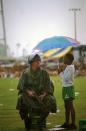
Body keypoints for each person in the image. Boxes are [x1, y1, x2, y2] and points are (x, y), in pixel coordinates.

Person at [16, 54, 57, 130]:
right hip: (29, 96)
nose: (39, 62)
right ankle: (27, 121)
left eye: (39, 60)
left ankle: (40, 121)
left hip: (41, 96)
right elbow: (21, 87)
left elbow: (48, 86)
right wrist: (28, 92)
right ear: (32, 62)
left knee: (51, 99)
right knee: (21, 98)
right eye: (36, 61)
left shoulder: (44, 73)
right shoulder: (25, 73)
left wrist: (44, 94)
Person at [58, 53, 77, 130]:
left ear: (69, 60)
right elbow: (64, 78)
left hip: (68, 88)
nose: (63, 59)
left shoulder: (70, 68)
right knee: (66, 106)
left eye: (65, 58)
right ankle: (67, 123)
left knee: (70, 106)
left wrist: (60, 72)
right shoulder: (68, 67)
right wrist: (61, 71)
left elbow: (65, 78)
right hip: (65, 88)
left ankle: (73, 124)